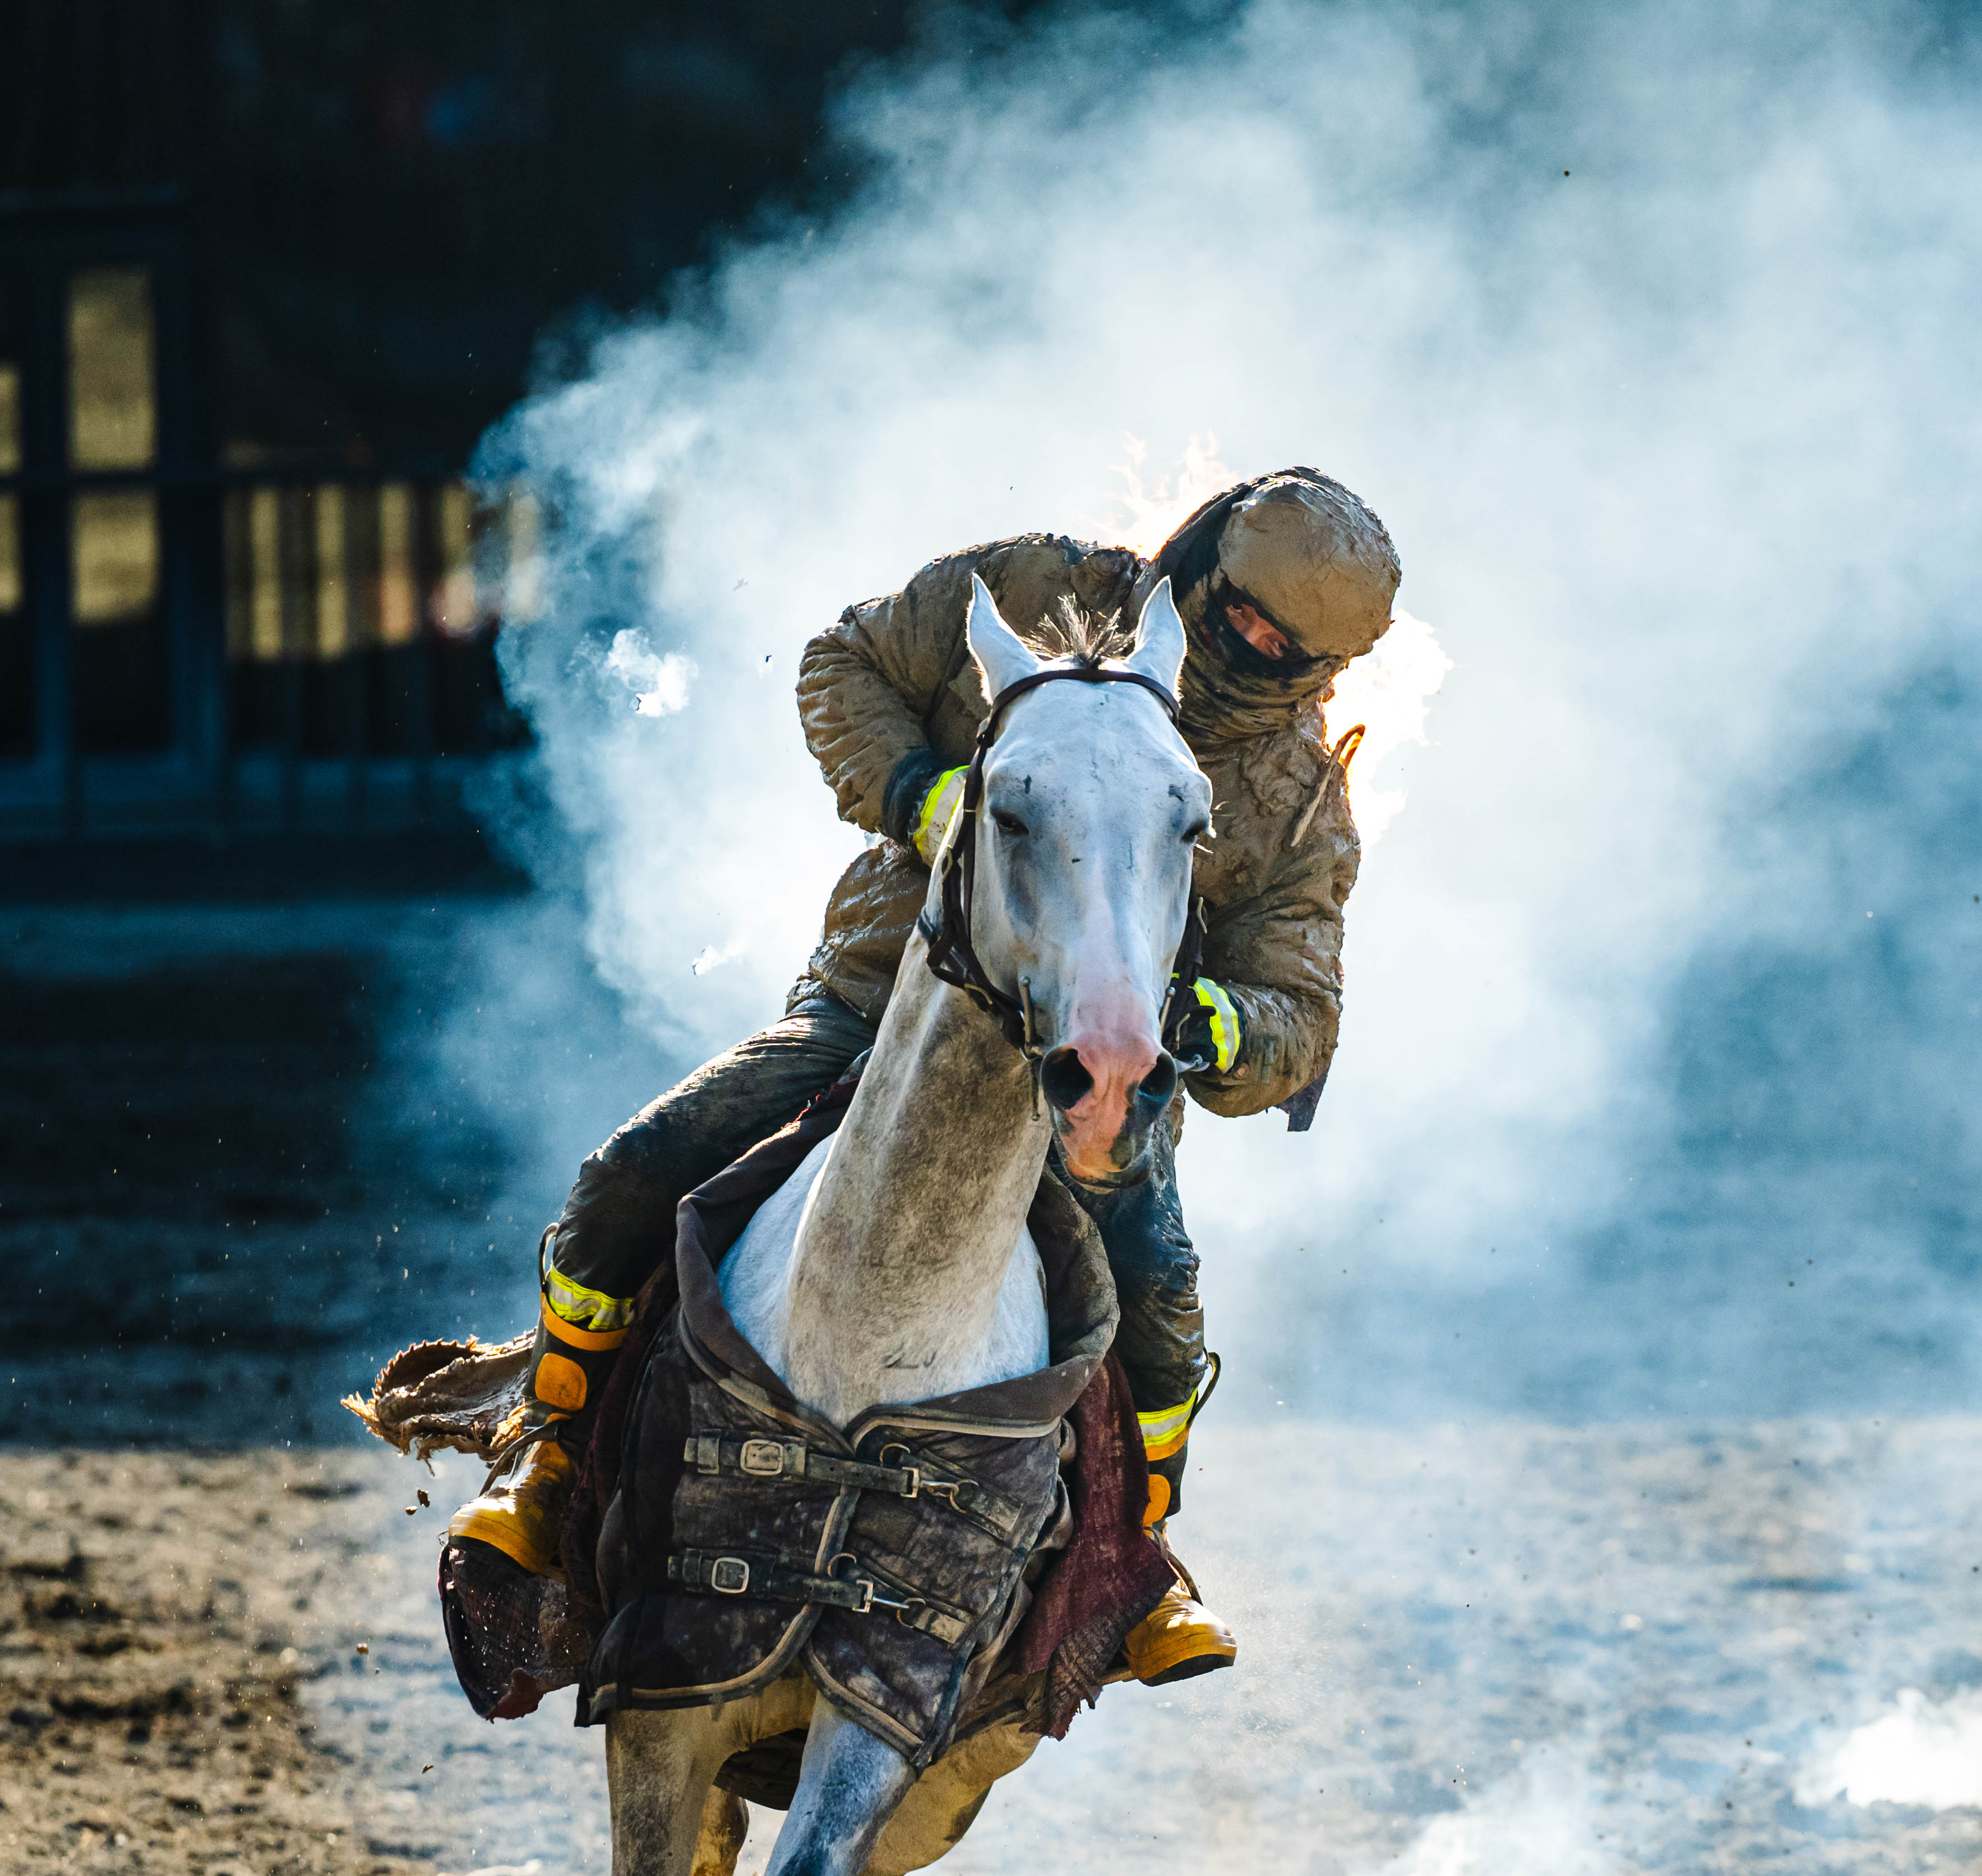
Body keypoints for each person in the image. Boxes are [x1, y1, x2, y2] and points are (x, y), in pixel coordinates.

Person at [448, 467, 1400, 1686]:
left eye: (1282, 648)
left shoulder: (1299, 800)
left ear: (1323, 670)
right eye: (1238, 612)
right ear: (1204, 559)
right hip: (874, 1005)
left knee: (1158, 1306)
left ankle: (1134, 1563)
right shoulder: (1042, 588)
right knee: (628, 1176)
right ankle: (547, 1461)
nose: (1250, 643)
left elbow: (1300, 1015)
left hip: (1084, 1086)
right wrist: (924, 797)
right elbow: (843, 664)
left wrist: (1203, 1023)